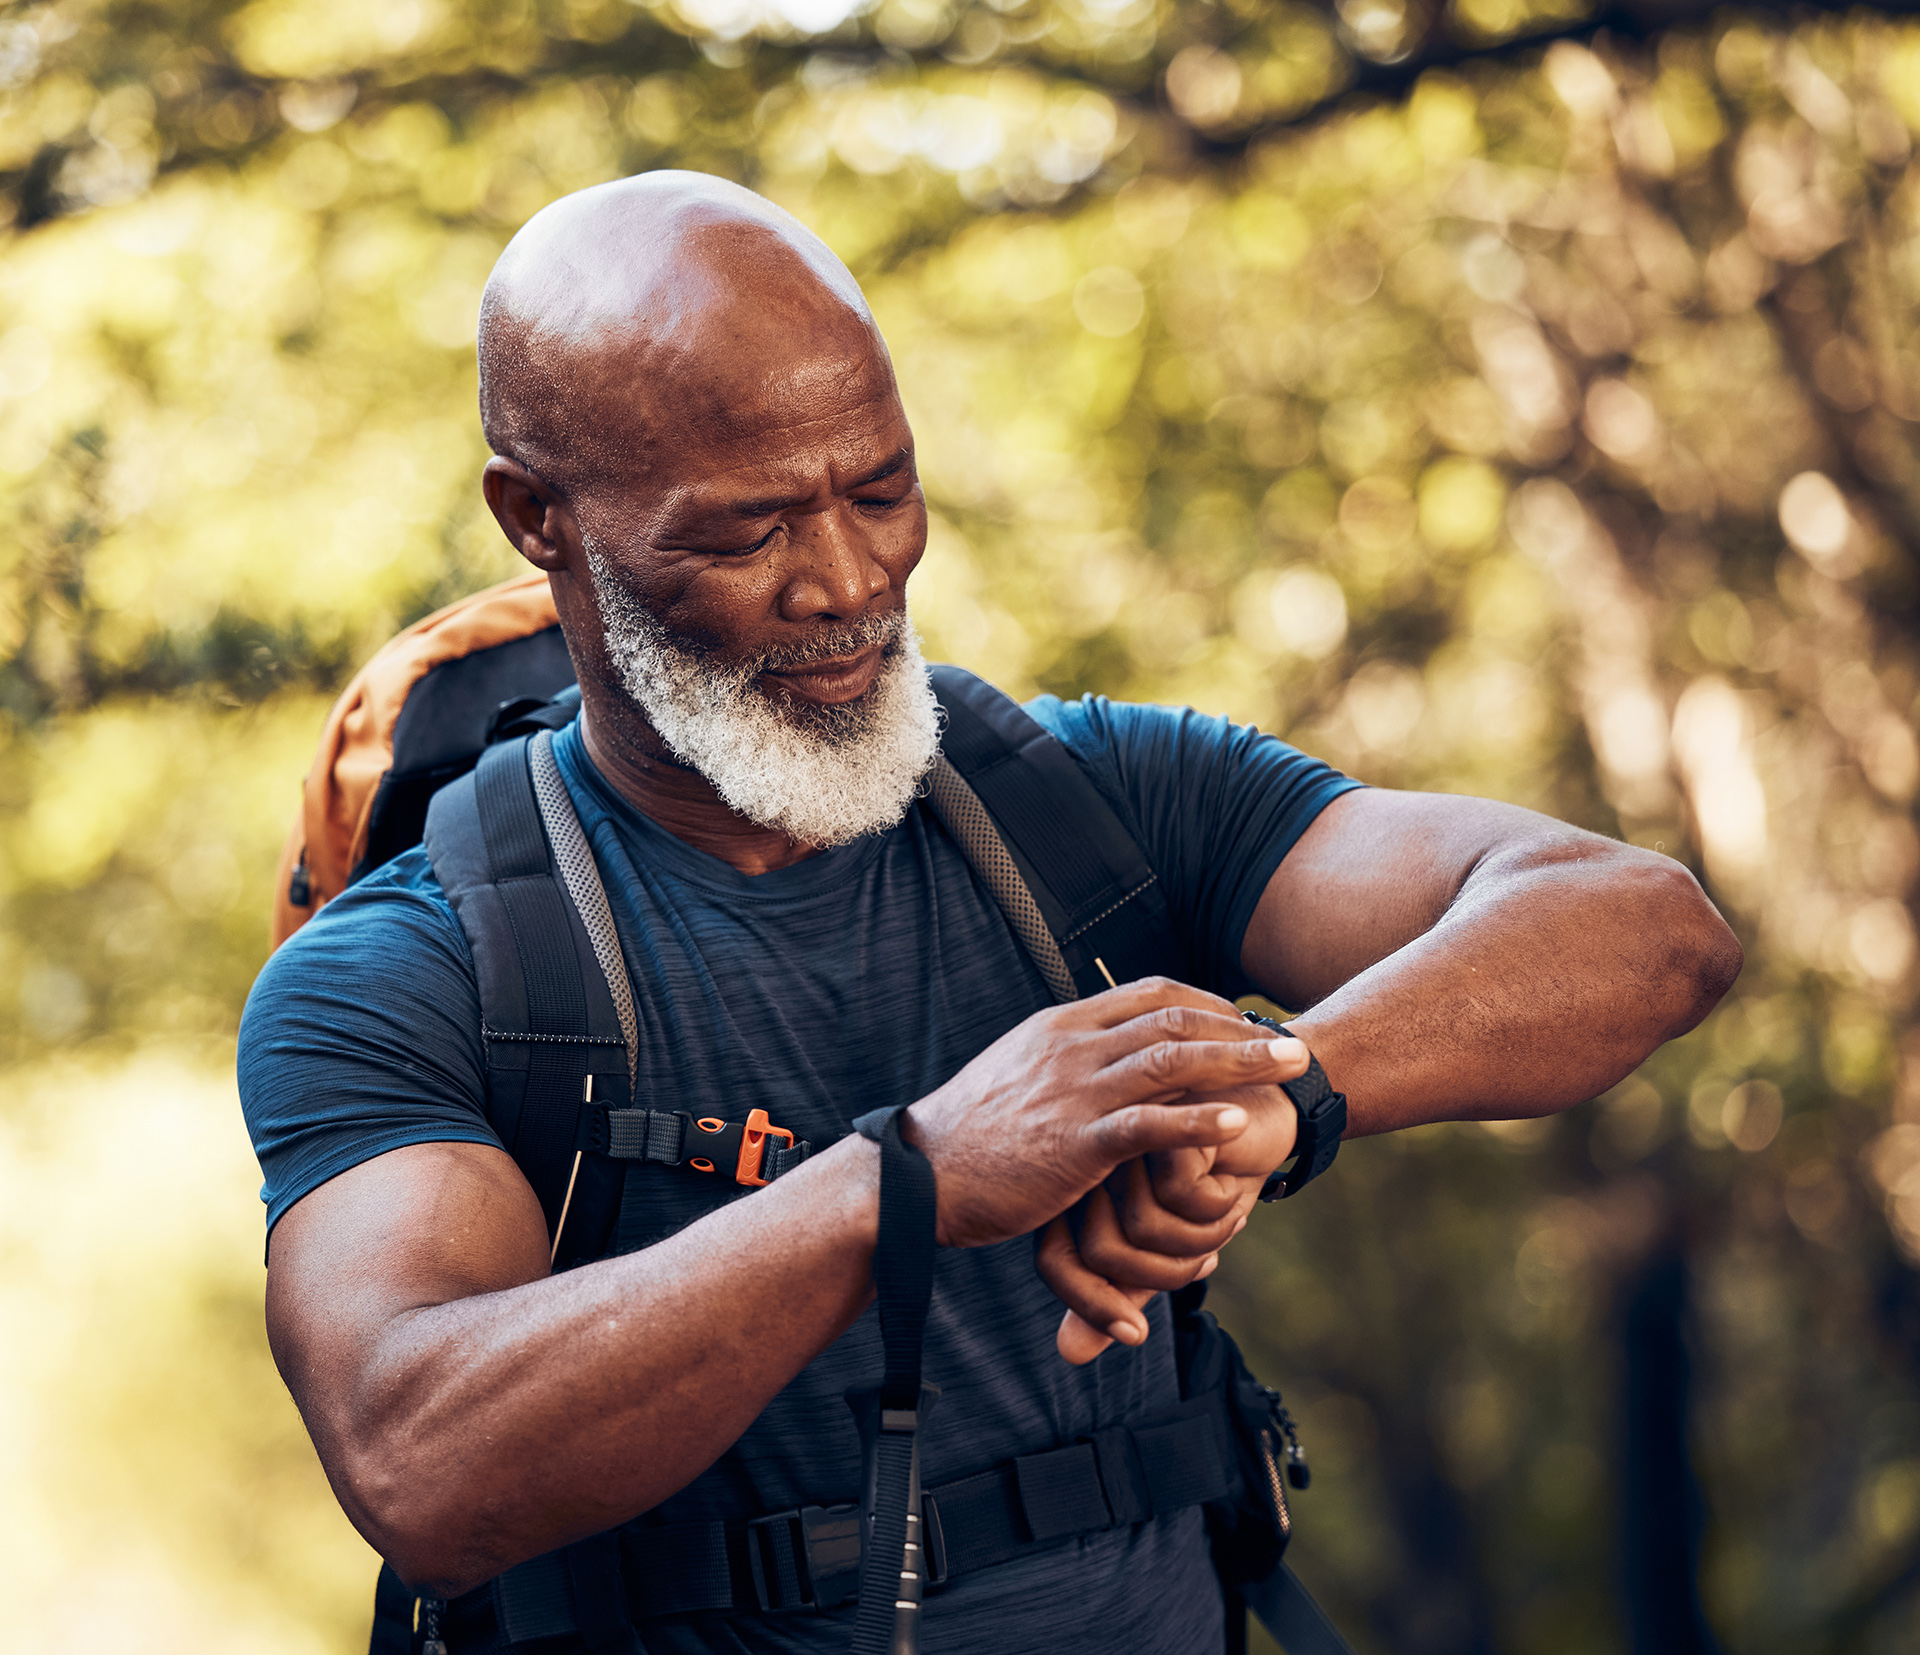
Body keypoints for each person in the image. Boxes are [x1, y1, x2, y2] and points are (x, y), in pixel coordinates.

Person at [238, 171, 1741, 1655]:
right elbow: (414, 1454)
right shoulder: (408, 971)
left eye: (881, 488)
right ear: (540, 518)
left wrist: (1283, 1093)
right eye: (747, 529)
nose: (846, 579)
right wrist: (909, 1181)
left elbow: (1642, 926)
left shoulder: (1097, 802)